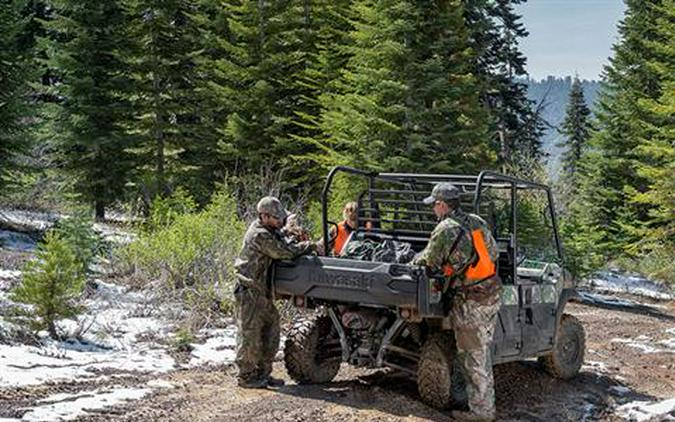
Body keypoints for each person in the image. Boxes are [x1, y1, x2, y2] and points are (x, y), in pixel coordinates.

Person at [412, 183, 502, 422]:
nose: (433, 209)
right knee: (480, 350)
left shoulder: (445, 229)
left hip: (471, 298)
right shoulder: (476, 221)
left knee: (473, 355)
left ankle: (482, 413)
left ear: (442, 205)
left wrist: (413, 258)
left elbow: (428, 262)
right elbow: (493, 252)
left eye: (433, 204)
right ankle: (483, 407)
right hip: (490, 290)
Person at [233, 196, 317, 389]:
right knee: (250, 336)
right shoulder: (259, 234)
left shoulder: (270, 230)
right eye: (276, 218)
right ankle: (247, 376)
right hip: (249, 291)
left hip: (262, 292)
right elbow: (284, 251)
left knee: (270, 333)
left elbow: (283, 238)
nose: (280, 221)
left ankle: (263, 373)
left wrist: (290, 231)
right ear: (264, 216)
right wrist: (310, 245)